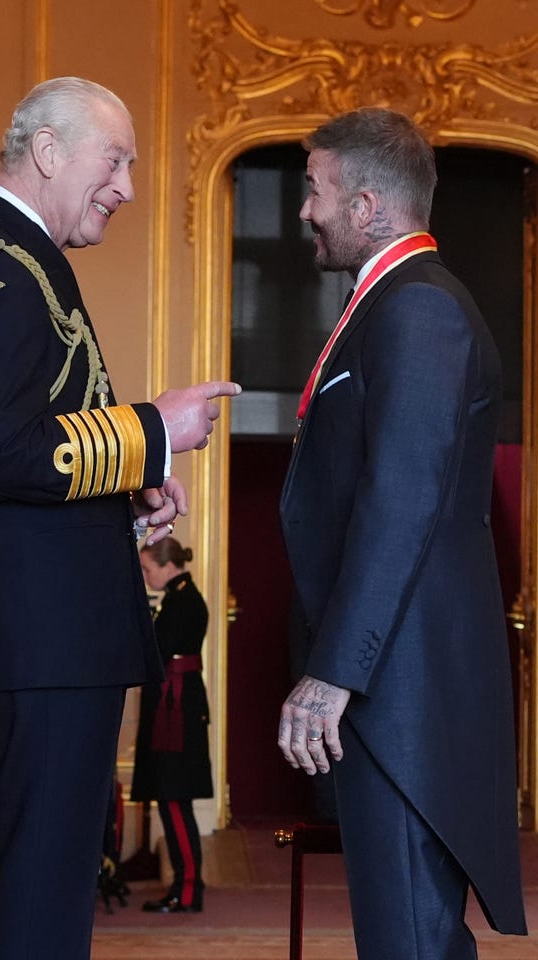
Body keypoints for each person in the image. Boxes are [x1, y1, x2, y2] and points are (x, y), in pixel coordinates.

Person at [0, 76, 240, 960]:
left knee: (46, 887)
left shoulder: (16, 260)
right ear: (49, 153)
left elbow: (26, 452)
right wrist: (151, 429)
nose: (128, 185)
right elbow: (8, 451)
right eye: (116, 159)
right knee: (39, 892)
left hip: (44, 639)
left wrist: (131, 490)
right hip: (38, 647)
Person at [277, 107, 527, 960]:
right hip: (395, 681)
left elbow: (401, 501)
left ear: (370, 204)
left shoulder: (419, 309)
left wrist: (331, 675)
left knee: (411, 939)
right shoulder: (389, 303)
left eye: (315, 191)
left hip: (403, 686)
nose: (304, 210)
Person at [131, 537, 212, 913]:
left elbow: (156, 650)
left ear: (167, 565)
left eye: (148, 569)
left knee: (174, 798)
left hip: (175, 711)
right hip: (174, 708)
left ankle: (188, 887)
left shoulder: (183, 601)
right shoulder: (179, 597)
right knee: (171, 798)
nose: (146, 576)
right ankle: (185, 884)